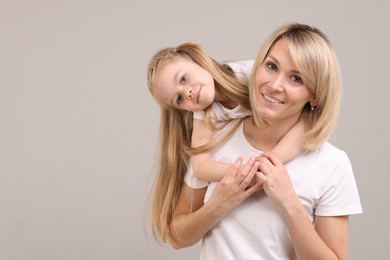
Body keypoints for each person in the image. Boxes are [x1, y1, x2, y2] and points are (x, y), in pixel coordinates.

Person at [168, 23, 362, 259]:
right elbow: (176, 237)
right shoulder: (214, 141)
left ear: (315, 95)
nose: (275, 85)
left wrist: (289, 202)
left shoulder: (332, 164)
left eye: (296, 78)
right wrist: (217, 206)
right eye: (271, 66)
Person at [146, 43, 304, 242]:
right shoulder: (204, 115)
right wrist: (247, 173)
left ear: (197, 59)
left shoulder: (250, 73)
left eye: (183, 79)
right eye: (178, 99)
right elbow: (201, 168)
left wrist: (267, 165)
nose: (186, 93)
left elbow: (308, 118)